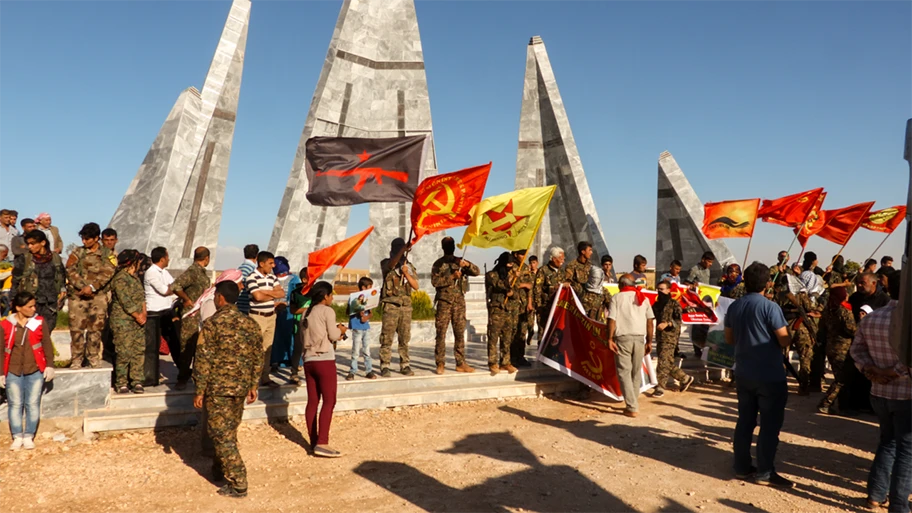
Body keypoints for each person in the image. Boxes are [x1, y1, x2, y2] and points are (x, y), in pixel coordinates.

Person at [725, 262, 793, 488]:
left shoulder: (734, 307)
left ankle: (742, 467)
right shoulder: (770, 307)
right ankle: (765, 472)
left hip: (744, 372)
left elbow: (729, 339)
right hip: (769, 374)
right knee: (769, 425)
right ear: (767, 283)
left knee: (745, 421)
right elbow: (783, 339)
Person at [193, 281, 263, 498]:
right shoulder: (250, 324)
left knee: (220, 434)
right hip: (240, 388)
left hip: (218, 389)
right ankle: (219, 469)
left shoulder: (212, 324)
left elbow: (203, 359)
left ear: (220, 298)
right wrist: (253, 385)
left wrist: (199, 390)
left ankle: (239, 481)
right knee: (228, 431)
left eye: (215, 296)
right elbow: (258, 357)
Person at [850, 273, 912, 510]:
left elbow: (856, 351)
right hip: (905, 394)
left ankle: (876, 494)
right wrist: (893, 372)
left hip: (879, 392)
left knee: (887, 443)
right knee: (906, 451)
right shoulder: (906, 321)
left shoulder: (872, 318)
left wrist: (872, 371)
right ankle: (898, 505)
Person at [2, 291, 55, 450]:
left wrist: (49, 365)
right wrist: (0, 373)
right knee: (15, 403)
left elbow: (46, 344)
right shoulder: (5, 324)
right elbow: (0, 350)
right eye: (30, 306)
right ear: (18, 308)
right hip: (13, 370)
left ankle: (29, 435)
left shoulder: (39, 322)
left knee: (32, 403)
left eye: (34, 306)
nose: (34, 309)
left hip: (35, 369)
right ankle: (17, 436)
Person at [301, 281, 346, 457]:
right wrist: (341, 330)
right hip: (324, 359)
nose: (332, 298)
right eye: (331, 295)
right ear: (325, 296)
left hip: (308, 359)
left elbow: (301, 337)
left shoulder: (306, 312)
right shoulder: (327, 311)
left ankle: (313, 441)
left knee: (313, 401)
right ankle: (322, 442)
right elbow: (334, 335)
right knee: (329, 401)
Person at [67, 223, 115, 369]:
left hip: (97, 298)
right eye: (83, 238)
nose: (84, 241)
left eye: (88, 239)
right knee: (76, 330)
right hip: (78, 297)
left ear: (96, 238)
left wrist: (92, 287)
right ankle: (76, 359)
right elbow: (70, 269)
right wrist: (83, 286)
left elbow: (108, 272)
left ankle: (93, 357)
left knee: (95, 330)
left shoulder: (107, 254)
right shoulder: (77, 253)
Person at [607, 274, 654, 418]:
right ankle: (633, 402)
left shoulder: (616, 298)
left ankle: (632, 406)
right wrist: (650, 342)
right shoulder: (643, 298)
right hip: (640, 339)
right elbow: (650, 322)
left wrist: (609, 338)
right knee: (635, 372)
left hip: (623, 339)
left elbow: (612, 320)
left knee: (624, 372)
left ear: (621, 285)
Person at [431, 237, 479, 374]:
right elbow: (435, 282)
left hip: (459, 303)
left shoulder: (460, 261)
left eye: (451, 244)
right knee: (441, 334)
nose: (449, 247)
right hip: (444, 303)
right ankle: (440, 363)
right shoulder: (438, 264)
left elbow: (477, 271)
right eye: (447, 245)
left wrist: (467, 265)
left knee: (459, 334)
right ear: (443, 247)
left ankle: (460, 362)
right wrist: (451, 277)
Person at [171, 247, 211, 390]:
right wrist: (186, 299)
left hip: (201, 314)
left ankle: (197, 377)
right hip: (191, 315)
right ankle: (182, 378)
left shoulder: (201, 272)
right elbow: (175, 286)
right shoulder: (193, 272)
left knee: (200, 347)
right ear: (206, 258)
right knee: (187, 347)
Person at [244, 251, 285, 388]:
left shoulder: (272, 278)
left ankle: (265, 377)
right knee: (255, 349)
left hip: (270, 316)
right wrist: (272, 294)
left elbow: (281, 293)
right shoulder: (251, 277)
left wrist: (265, 293)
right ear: (261, 264)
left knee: (267, 348)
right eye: (270, 263)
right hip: (257, 316)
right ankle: (252, 380)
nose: (273, 266)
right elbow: (257, 297)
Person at [379, 238, 418, 377]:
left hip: (405, 307)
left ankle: (405, 364)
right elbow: (391, 264)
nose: (400, 251)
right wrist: (403, 249)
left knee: (404, 338)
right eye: (398, 248)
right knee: (387, 338)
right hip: (391, 305)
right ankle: (385, 365)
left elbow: (416, 286)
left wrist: (406, 273)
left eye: (401, 248)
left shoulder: (409, 266)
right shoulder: (386, 263)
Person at [109, 250, 147, 394]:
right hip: (123, 321)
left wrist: (144, 312)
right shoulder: (120, 278)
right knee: (124, 352)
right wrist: (137, 315)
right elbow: (125, 301)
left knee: (138, 351)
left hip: (138, 321)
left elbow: (142, 297)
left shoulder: (135, 278)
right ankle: (121, 382)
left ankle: (137, 380)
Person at [12, 230, 65, 330]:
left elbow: (62, 276)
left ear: (43, 243)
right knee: (29, 334)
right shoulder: (24, 259)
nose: (30, 246)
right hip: (29, 304)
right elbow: (15, 281)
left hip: (50, 305)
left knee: (46, 333)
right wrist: (13, 301)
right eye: (28, 244)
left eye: (33, 243)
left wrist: (62, 292)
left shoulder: (55, 259)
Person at [816, 287, 856, 414]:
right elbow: (851, 329)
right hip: (843, 349)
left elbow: (821, 328)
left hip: (830, 346)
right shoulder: (844, 311)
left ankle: (840, 405)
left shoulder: (827, 310)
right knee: (841, 379)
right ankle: (826, 403)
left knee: (839, 376)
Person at [652, 280, 694, 398]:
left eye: (662, 289)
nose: (659, 292)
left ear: (669, 290)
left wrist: (668, 324)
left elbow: (679, 320)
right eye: (658, 289)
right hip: (660, 337)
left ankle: (660, 387)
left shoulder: (674, 304)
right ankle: (685, 378)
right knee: (666, 362)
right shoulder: (656, 305)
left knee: (663, 362)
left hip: (670, 337)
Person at [143, 246, 177, 385]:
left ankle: (183, 371)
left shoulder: (164, 272)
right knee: (153, 345)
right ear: (162, 258)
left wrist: (173, 288)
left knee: (174, 341)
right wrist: (174, 288)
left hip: (167, 311)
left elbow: (174, 285)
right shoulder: (151, 273)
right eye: (167, 256)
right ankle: (152, 374)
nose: (169, 259)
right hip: (154, 313)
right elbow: (165, 290)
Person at [486, 252, 518, 376]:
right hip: (496, 309)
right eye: (509, 264)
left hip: (507, 310)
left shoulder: (512, 276)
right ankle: (492, 362)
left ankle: (505, 361)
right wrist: (510, 279)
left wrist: (512, 294)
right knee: (493, 337)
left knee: (507, 338)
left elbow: (515, 293)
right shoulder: (491, 275)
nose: (511, 267)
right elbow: (499, 285)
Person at [270, 256, 299, 372]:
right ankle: (275, 360)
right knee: (276, 337)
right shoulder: (272, 279)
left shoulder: (294, 279)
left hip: (288, 312)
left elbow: (296, 297)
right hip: (274, 311)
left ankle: (292, 360)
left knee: (289, 336)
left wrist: (285, 304)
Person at [687, 252, 715, 358]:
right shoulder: (694, 270)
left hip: (706, 302)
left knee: (705, 325)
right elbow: (686, 284)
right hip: (696, 302)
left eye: (711, 262)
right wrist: (693, 286)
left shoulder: (707, 270)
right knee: (697, 326)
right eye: (709, 261)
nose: (710, 264)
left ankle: (703, 347)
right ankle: (697, 349)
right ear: (703, 259)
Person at [347, 276, 376, 380]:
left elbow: (371, 313)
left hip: (366, 327)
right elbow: (348, 311)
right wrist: (357, 311)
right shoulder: (353, 298)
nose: (370, 289)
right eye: (369, 287)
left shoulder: (369, 298)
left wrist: (366, 317)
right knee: (355, 351)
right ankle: (352, 371)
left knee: (367, 351)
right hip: (357, 327)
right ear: (363, 287)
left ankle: (369, 370)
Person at [509, 250, 534, 367]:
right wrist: (523, 285)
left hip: (523, 304)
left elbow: (530, 287)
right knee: (512, 331)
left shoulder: (525, 267)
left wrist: (529, 303)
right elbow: (508, 285)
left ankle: (520, 356)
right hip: (513, 303)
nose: (524, 257)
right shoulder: (511, 266)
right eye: (521, 254)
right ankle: (511, 357)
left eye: (525, 254)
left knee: (522, 332)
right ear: (515, 255)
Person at [533, 247, 565, 337]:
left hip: (558, 309)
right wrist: (539, 307)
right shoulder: (543, 270)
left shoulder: (562, 272)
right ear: (554, 259)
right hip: (545, 308)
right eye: (561, 259)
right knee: (543, 334)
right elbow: (537, 289)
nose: (563, 261)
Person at [288, 267, 311, 384]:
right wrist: (307, 309)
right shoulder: (296, 293)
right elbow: (293, 310)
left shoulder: (316, 292)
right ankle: (294, 372)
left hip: (313, 326)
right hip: (299, 324)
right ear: (304, 279)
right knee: (298, 348)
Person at [236, 244, 259, 315]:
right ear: (257, 255)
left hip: (239, 304)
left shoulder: (240, 268)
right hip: (247, 306)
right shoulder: (253, 270)